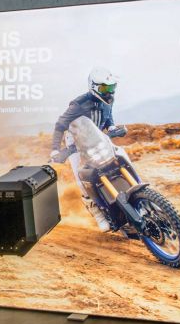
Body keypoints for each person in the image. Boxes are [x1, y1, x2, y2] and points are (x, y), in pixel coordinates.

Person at [49, 67, 127, 231]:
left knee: (119, 156)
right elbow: (60, 125)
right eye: (105, 88)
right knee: (82, 176)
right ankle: (98, 213)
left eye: (111, 87)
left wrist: (112, 127)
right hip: (76, 141)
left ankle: (134, 194)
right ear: (94, 87)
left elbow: (108, 115)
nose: (109, 92)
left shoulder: (108, 100)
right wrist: (55, 150)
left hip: (97, 137)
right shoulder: (78, 104)